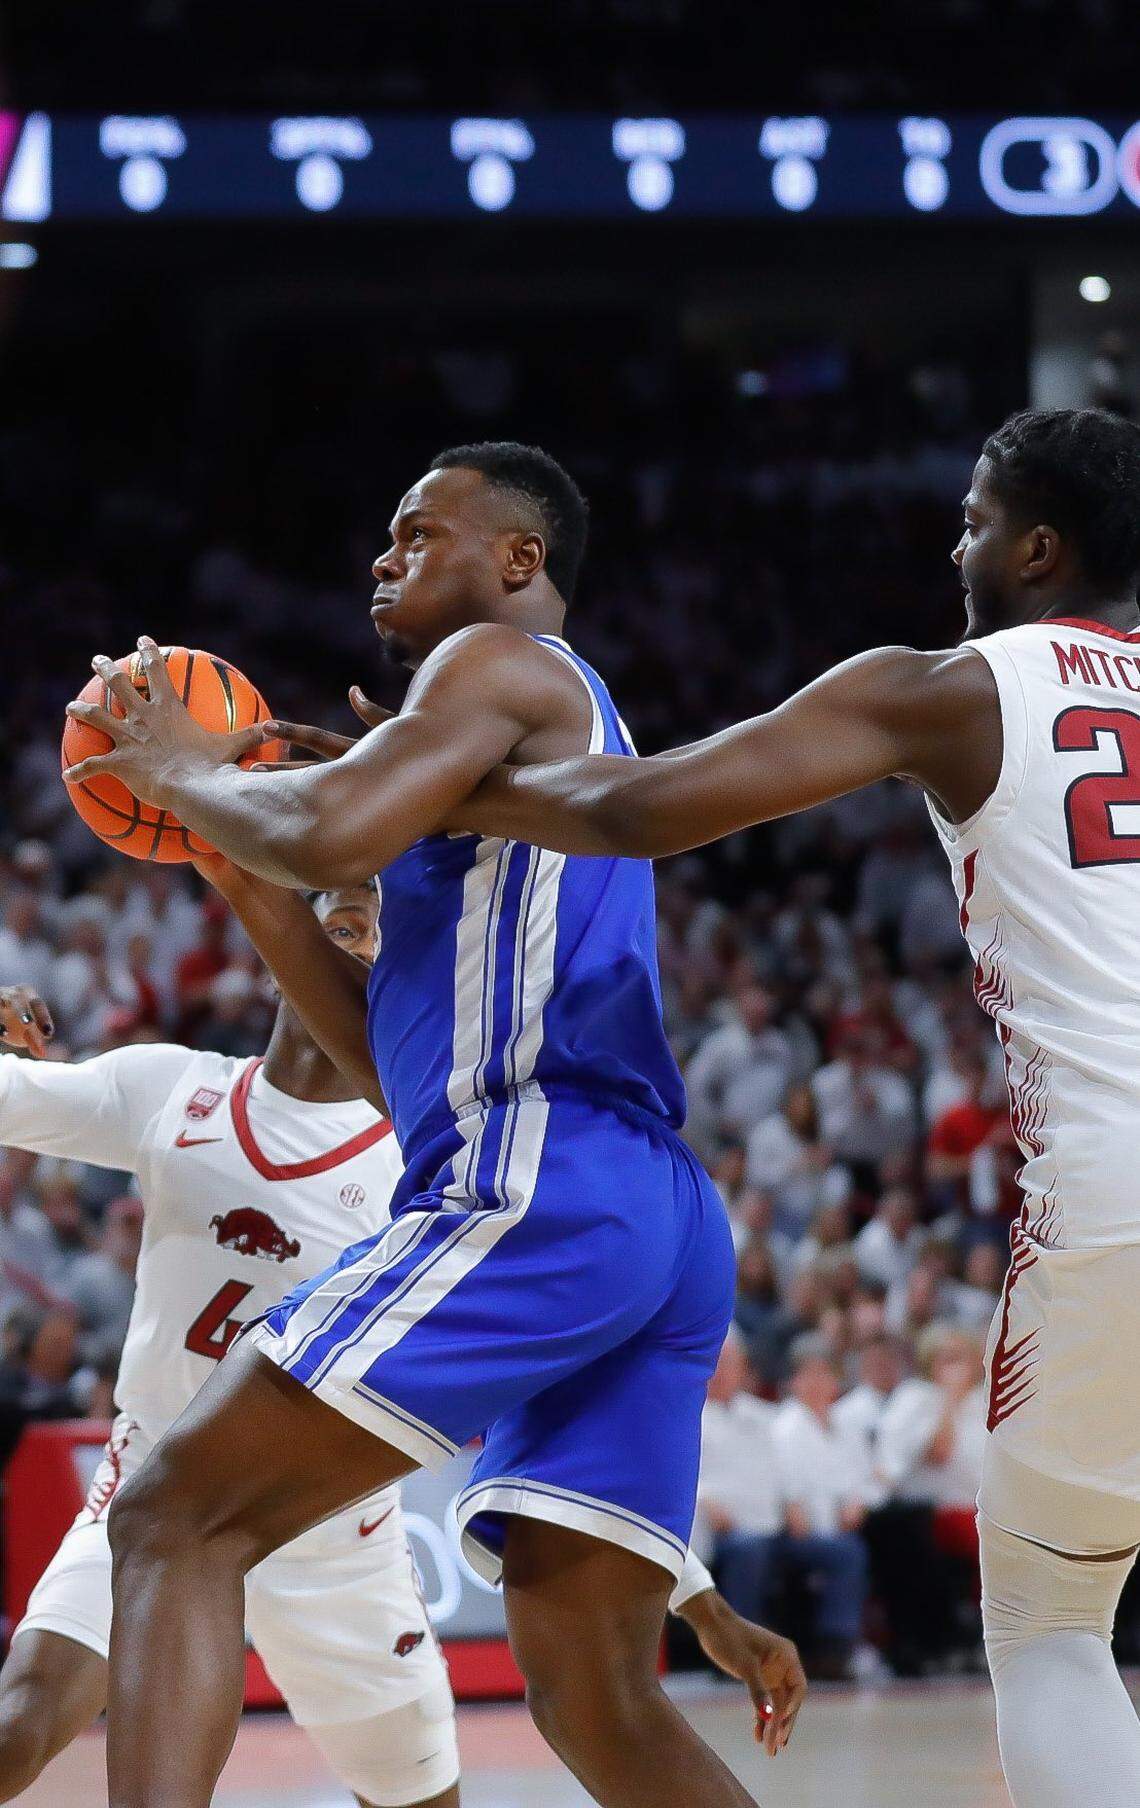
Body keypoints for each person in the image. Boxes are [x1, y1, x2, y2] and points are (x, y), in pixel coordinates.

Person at [62, 443, 805, 1807]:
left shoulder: (494, 666)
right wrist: (245, 866)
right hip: (643, 1205)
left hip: (546, 1168)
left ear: (520, 563)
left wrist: (177, 769)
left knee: (173, 1512)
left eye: (418, 533)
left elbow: (331, 825)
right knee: (598, 1697)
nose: (382, 559)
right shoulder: (506, 745)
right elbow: (384, 1065)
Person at [439, 406, 1140, 1806]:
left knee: (1053, 1620)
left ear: (1041, 545)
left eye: (976, 520)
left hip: (1118, 1183)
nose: (959, 547)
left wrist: (416, 784)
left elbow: (644, 805)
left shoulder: (954, 683)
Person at [0, 901, 463, 1808]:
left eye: (380, 922)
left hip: (331, 1527)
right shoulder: (170, 1088)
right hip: (154, 1484)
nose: (357, 918)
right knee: (23, 1717)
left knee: (416, 1800)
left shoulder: (432, 1152)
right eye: (337, 908)